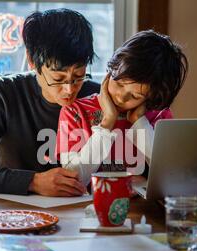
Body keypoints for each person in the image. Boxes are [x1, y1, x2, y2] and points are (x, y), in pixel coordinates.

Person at [0, 9, 100, 196]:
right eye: (58, 78)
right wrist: (33, 182)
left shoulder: (97, 98)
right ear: (31, 60)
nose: (69, 89)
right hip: (11, 213)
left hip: (82, 212)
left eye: (78, 76)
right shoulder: (3, 94)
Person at [56, 30, 188, 187]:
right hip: (88, 208)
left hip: (142, 209)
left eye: (135, 96)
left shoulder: (159, 117)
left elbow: (172, 177)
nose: (120, 97)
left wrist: (141, 124)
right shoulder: (75, 112)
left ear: (151, 97)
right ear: (110, 69)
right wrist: (107, 123)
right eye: (118, 83)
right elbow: (73, 179)